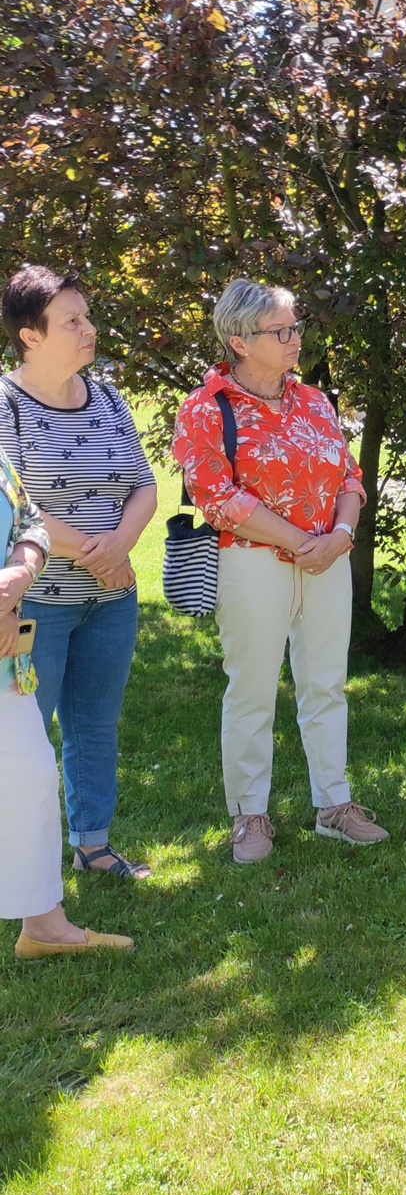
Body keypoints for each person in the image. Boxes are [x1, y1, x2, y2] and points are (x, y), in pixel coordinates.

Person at [172, 279, 389, 865]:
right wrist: (301, 542)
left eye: (296, 327)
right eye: (282, 330)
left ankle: (335, 806)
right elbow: (217, 497)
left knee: (325, 683)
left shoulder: (315, 401)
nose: (296, 338)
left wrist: (340, 536)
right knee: (252, 690)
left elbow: (349, 477)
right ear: (240, 341)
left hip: (326, 557)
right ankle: (250, 815)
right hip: (252, 563)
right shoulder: (205, 407)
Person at [1, 266, 158, 880]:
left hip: (111, 600)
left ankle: (92, 846)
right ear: (30, 336)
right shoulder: (7, 404)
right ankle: (21, 858)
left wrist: (120, 547)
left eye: (87, 316)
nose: (89, 329)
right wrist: (102, 556)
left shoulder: (108, 397)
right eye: (73, 320)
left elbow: (144, 485)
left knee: (95, 725)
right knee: (24, 733)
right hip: (35, 602)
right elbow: (18, 507)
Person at [2, 444, 133, 957]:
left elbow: (29, 520)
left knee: (32, 771)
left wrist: (17, 580)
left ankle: (43, 925)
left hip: (7, 650)